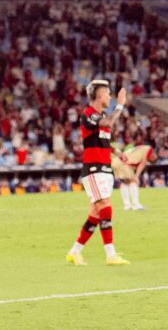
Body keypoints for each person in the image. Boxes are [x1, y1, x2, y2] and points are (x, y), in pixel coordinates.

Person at [66, 79, 130, 266]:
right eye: (108, 93)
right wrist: (120, 105)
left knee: (95, 213)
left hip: (105, 167)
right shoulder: (88, 115)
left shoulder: (99, 115)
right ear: (99, 95)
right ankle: (110, 254)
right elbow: (109, 123)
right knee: (106, 207)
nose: (110, 96)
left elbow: (102, 139)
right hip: (93, 169)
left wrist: (117, 152)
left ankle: (74, 251)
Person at [112, 142, 154, 210]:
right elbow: (142, 163)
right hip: (123, 163)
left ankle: (127, 205)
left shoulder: (140, 148)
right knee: (133, 182)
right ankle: (136, 204)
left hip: (116, 161)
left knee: (125, 183)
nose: (150, 158)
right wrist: (136, 176)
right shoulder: (148, 149)